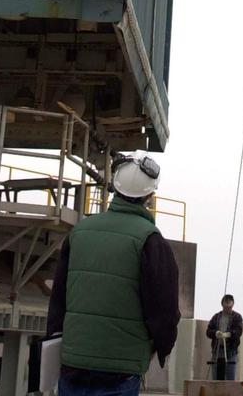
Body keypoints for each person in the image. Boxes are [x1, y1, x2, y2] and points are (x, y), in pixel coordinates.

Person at [46, 150, 180, 396]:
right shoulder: (151, 241)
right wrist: (161, 348)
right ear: (150, 195)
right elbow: (164, 311)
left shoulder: (79, 232)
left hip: (73, 365)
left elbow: (58, 299)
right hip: (121, 369)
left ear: (115, 189)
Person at [207, 294, 243, 380]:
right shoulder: (216, 317)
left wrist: (229, 334)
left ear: (232, 305)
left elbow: (239, 331)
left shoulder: (237, 317)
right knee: (216, 377)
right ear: (222, 305)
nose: (228, 309)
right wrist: (216, 333)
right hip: (217, 351)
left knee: (230, 377)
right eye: (226, 307)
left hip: (231, 352)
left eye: (229, 307)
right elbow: (208, 331)